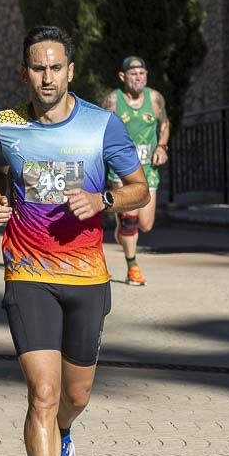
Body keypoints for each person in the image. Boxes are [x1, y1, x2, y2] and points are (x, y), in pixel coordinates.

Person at [0, 26, 149, 456]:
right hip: (27, 272)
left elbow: (139, 187)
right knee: (44, 394)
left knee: (75, 397)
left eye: (56, 67)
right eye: (37, 68)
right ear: (25, 72)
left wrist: (102, 199)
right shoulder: (6, 125)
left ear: (70, 71)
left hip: (86, 278)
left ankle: (67, 433)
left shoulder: (102, 125)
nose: (46, 77)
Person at [101, 56, 170, 285]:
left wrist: (161, 146)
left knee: (146, 224)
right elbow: (101, 129)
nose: (138, 77)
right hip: (121, 170)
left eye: (142, 73)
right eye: (133, 73)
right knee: (131, 220)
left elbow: (165, 123)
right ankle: (133, 267)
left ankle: (122, 226)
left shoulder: (155, 98)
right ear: (123, 77)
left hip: (148, 168)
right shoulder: (113, 100)